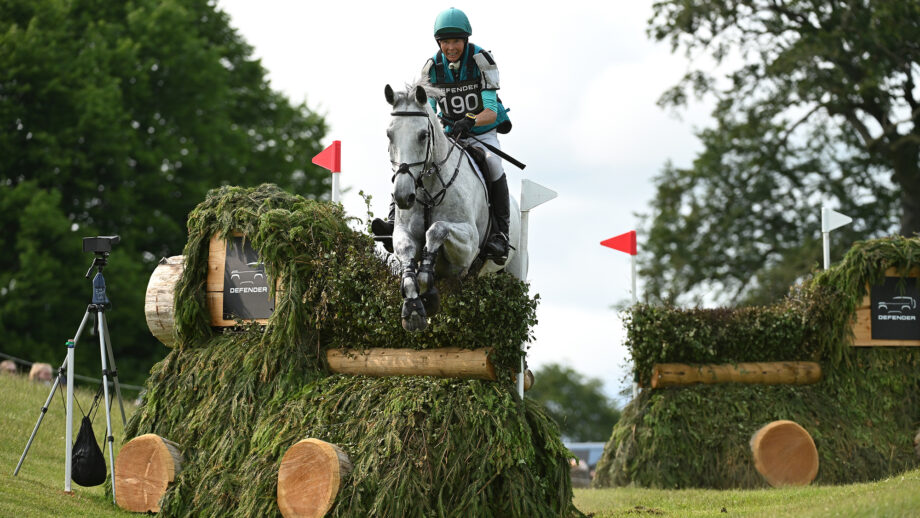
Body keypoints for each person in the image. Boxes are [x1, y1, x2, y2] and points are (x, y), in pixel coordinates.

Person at [373, 7, 513, 264]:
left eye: (456, 41)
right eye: (446, 42)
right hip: (448, 135)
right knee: (413, 160)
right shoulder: (432, 69)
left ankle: (500, 234)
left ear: (465, 40)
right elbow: (430, 112)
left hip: (481, 133)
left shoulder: (483, 62)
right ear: (439, 43)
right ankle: (395, 218)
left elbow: (491, 112)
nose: (451, 47)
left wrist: (470, 120)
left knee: (493, 163)